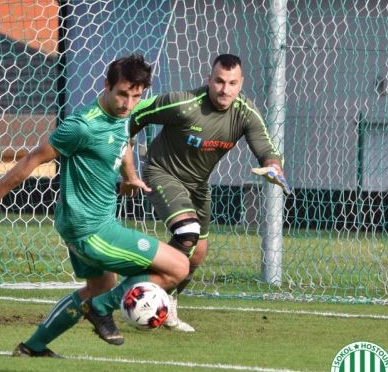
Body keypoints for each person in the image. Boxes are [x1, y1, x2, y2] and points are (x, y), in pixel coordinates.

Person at [0, 54, 189, 357]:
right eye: (122, 94)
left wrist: (130, 177)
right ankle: (101, 309)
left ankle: (33, 347)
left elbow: (125, 143)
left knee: (100, 286)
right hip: (91, 228)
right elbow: (33, 159)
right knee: (178, 267)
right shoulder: (81, 126)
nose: (128, 103)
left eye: (136, 96)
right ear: (106, 85)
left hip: (80, 226)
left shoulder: (123, 117)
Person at [124, 53, 290, 332]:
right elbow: (135, 114)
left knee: (198, 253)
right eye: (219, 81)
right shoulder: (184, 104)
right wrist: (123, 162)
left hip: (198, 185)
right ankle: (136, 291)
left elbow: (266, 150)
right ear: (209, 80)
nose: (225, 89)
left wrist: (273, 168)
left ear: (241, 84)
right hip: (162, 172)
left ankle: (167, 300)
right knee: (187, 232)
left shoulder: (245, 113)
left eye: (232, 83)